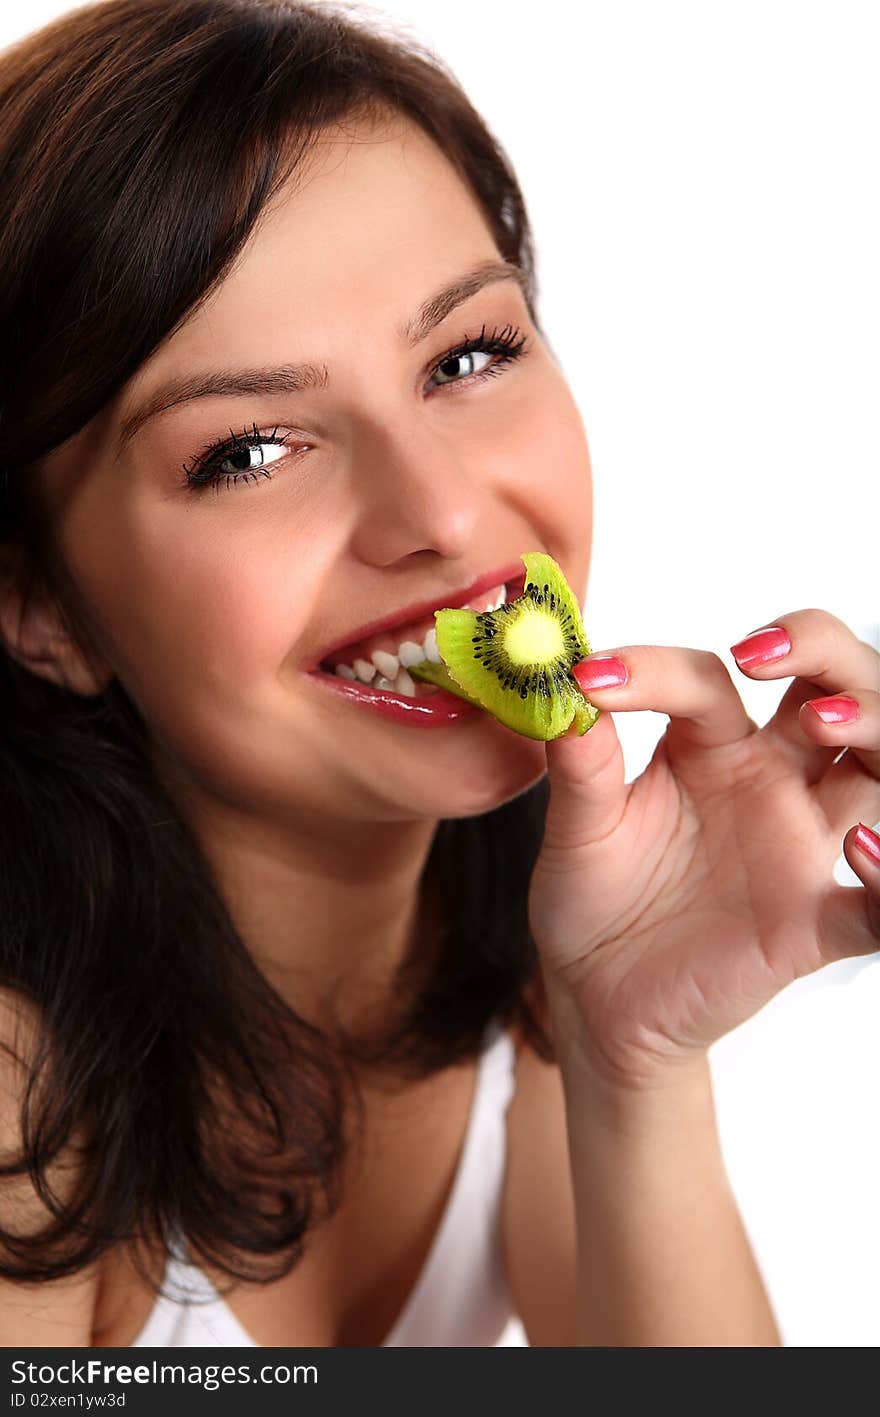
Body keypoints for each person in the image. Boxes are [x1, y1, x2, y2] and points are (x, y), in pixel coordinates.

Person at [0, 0, 877, 1350]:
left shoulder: (522, 931)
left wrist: (636, 1060)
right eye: (251, 449)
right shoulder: (18, 1089)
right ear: (40, 603)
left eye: (467, 355)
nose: (445, 513)